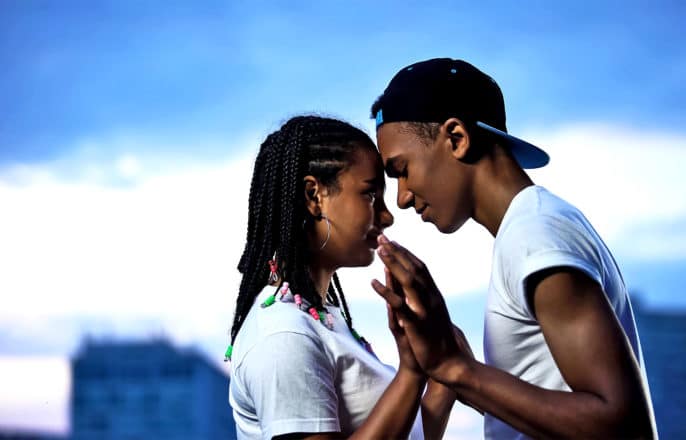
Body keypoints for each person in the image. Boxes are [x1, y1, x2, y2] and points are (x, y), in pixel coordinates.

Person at [369, 58, 657, 439]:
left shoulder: (534, 235)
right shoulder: (528, 230)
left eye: (402, 169)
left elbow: (622, 424)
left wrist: (457, 368)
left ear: (456, 138)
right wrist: (463, 374)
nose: (402, 198)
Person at [226, 115, 458, 440]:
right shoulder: (284, 334)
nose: (388, 217)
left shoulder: (322, 319)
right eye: (370, 195)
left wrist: (441, 371)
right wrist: (410, 370)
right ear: (313, 195)